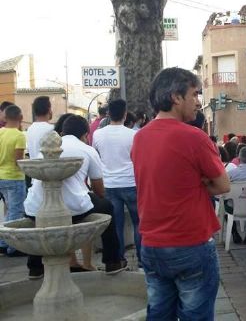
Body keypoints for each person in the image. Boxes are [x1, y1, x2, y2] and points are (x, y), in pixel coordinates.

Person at [131, 67, 230, 320]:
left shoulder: (140, 138)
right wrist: (198, 183)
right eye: (195, 94)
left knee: (159, 313)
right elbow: (222, 185)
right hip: (190, 243)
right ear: (176, 97)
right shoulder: (194, 137)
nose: (199, 102)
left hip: (151, 244)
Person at [24, 115, 125, 277]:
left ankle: (35, 267)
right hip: (73, 207)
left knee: (39, 223)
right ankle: (112, 261)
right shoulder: (87, 150)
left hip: (35, 206)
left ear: (62, 131)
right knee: (107, 207)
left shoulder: (45, 151)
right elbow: (99, 189)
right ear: (85, 134)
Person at [92, 99, 141, 264]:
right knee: (139, 223)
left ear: (108, 114)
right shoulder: (134, 134)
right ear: (125, 114)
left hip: (109, 185)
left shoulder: (98, 134)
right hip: (131, 183)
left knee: (116, 225)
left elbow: (96, 157)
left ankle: (119, 259)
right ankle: (142, 260)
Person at [0, 105, 27, 257]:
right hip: (14, 177)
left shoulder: (0, 132)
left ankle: (3, 244)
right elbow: (18, 160)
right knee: (15, 212)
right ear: (20, 117)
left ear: (5, 117)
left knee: (9, 211)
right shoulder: (19, 135)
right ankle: (13, 247)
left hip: (1, 176)